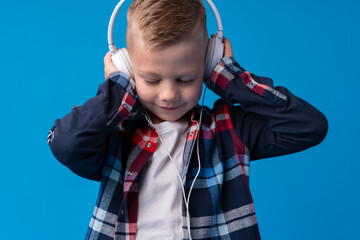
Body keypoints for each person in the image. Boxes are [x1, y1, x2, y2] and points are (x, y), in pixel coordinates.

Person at [47, 0, 328, 239]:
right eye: (151, 79)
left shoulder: (229, 130)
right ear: (129, 67)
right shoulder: (116, 136)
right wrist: (118, 86)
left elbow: (309, 127)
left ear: (206, 64)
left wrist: (229, 77)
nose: (169, 94)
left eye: (186, 78)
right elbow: (66, 144)